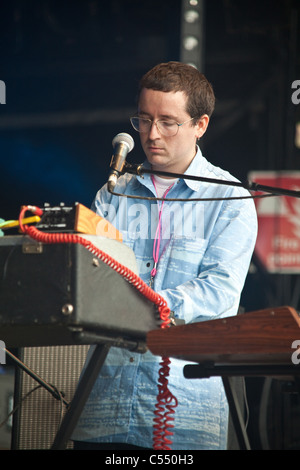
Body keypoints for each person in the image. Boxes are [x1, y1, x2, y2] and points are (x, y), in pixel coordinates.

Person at [72, 61, 257, 450]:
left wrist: (145, 305)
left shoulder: (230, 198)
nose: (151, 134)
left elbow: (220, 291)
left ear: (200, 125)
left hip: (186, 412)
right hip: (103, 405)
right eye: (143, 119)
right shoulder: (111, 193)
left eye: (168, 122)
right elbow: (88, 279)